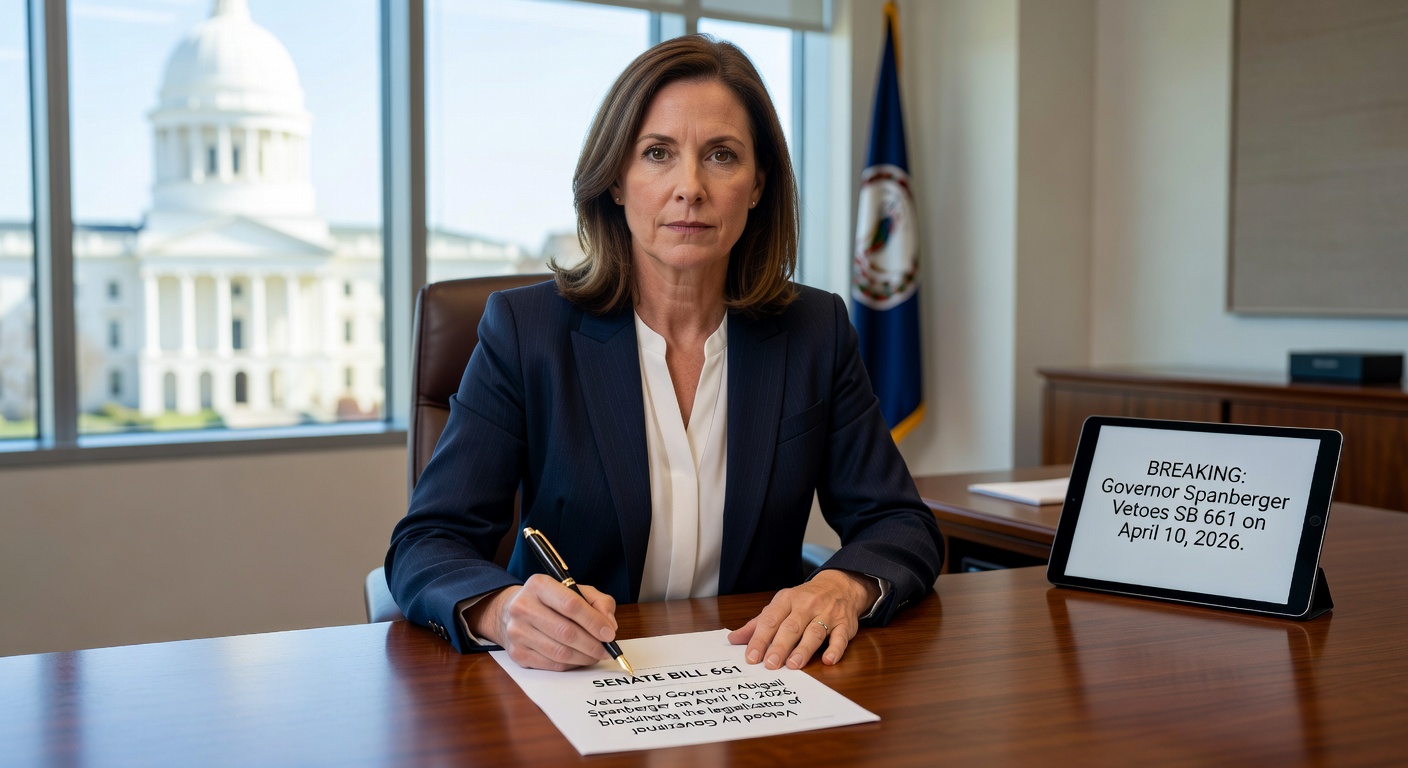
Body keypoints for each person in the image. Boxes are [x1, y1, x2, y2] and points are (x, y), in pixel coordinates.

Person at [386, 34, 942, 673]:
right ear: (616, 182)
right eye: (657, 153)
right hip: (581, 683)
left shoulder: (814, 330)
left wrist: (843, 586)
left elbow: (901, 522)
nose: (691, 187)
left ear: (758, 185)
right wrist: (500, 610)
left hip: (757, 681)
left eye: (722, 156)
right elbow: (427, 543)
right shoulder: (527, 330)